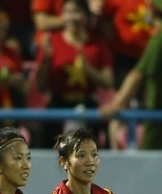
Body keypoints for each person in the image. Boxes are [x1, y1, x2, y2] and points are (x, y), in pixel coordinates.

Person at [99, 0, 162, 150]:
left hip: (160, 119)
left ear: (153, 9)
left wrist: (115, 106)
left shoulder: (160, 37)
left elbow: (137, 74)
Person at [34, 0, 113, 147]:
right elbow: (41, 84)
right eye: (67, 12)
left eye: (75, 12)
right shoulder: (52, 41)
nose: (70, 17)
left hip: (88, 106)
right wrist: (46, 58)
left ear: (85, 15)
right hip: (58, 106)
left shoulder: (98, 43)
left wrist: (89, 70)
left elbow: (108, 81)